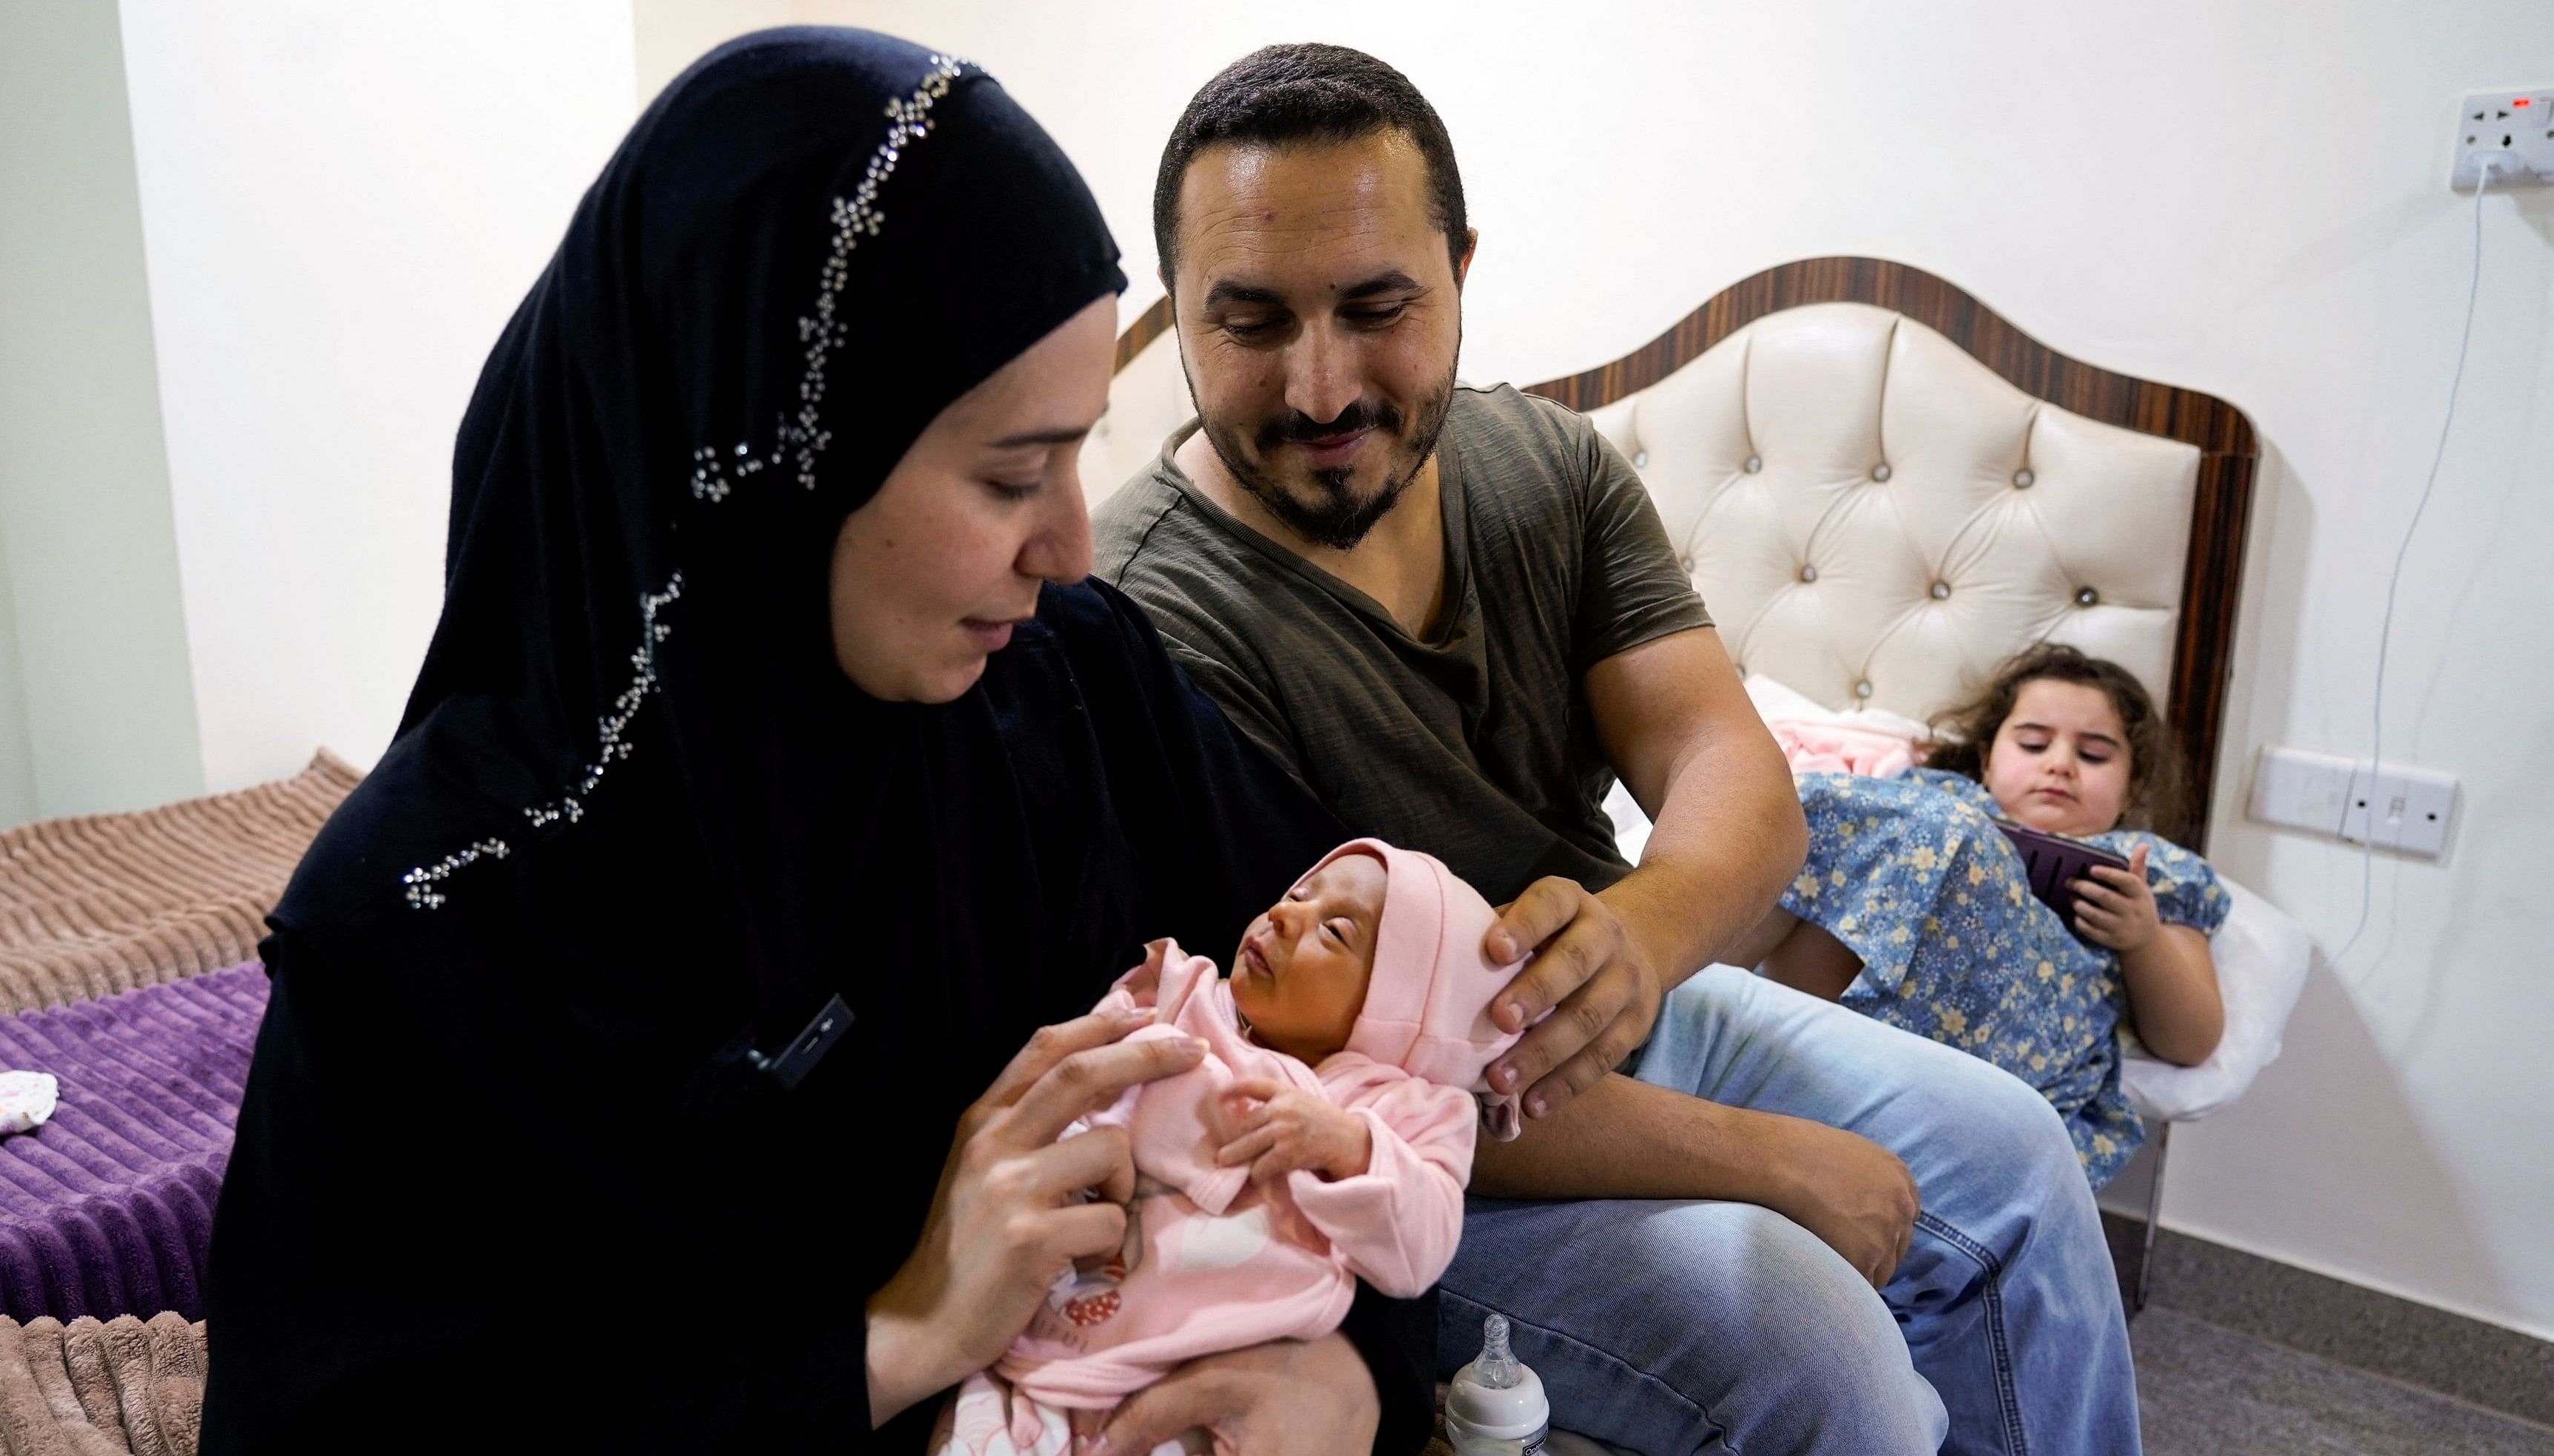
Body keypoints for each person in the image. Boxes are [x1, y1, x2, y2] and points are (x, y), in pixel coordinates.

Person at [200, 31, 1435, 1456]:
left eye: (1079, 453)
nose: (1070, 543)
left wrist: (1358, 1373)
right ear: (775, 461)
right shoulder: (437, 923)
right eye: (1010, 472)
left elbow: (1374, 1050)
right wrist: (895, 1337)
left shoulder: (1078, 689)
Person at [1095, 43, 2141, 1456]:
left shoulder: (1547, 470)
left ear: (1462, 269)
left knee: (2019, 1153)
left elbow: (1739, 786)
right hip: (1397, 1148)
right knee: (1813, 1347)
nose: (1323, 384)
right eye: (1253, 321)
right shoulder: (1146, 626)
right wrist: (1768, 1161)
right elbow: (1309, 1070)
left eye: (1377, 305)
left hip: (1636, 1019)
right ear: (1181, 315)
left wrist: (1637, 937)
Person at [941, 839, 1524, 1456]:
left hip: (1206, 1366)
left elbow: (1420, 1249)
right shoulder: (1182, 995)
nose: (1282, 914)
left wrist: (1347, 1144)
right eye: (1297, 894)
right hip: (1050, 1325)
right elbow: (1082, 1074)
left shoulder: (1399, 1107)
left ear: (1405, 1015)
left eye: (1335, 931)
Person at [1736, 644, 2232, 1188]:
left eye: (2093, 755)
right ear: (1988, 757)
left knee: (1955, 835)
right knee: (1806, 815)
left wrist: (2143, 939)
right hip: (1847, 1005)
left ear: (2133, 785)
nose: (2060, 764)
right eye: (2034, 743)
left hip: (2014, 1038)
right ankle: (1680, 994)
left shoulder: (2152, 868)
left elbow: (2194, 1038)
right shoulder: (1935, 799)